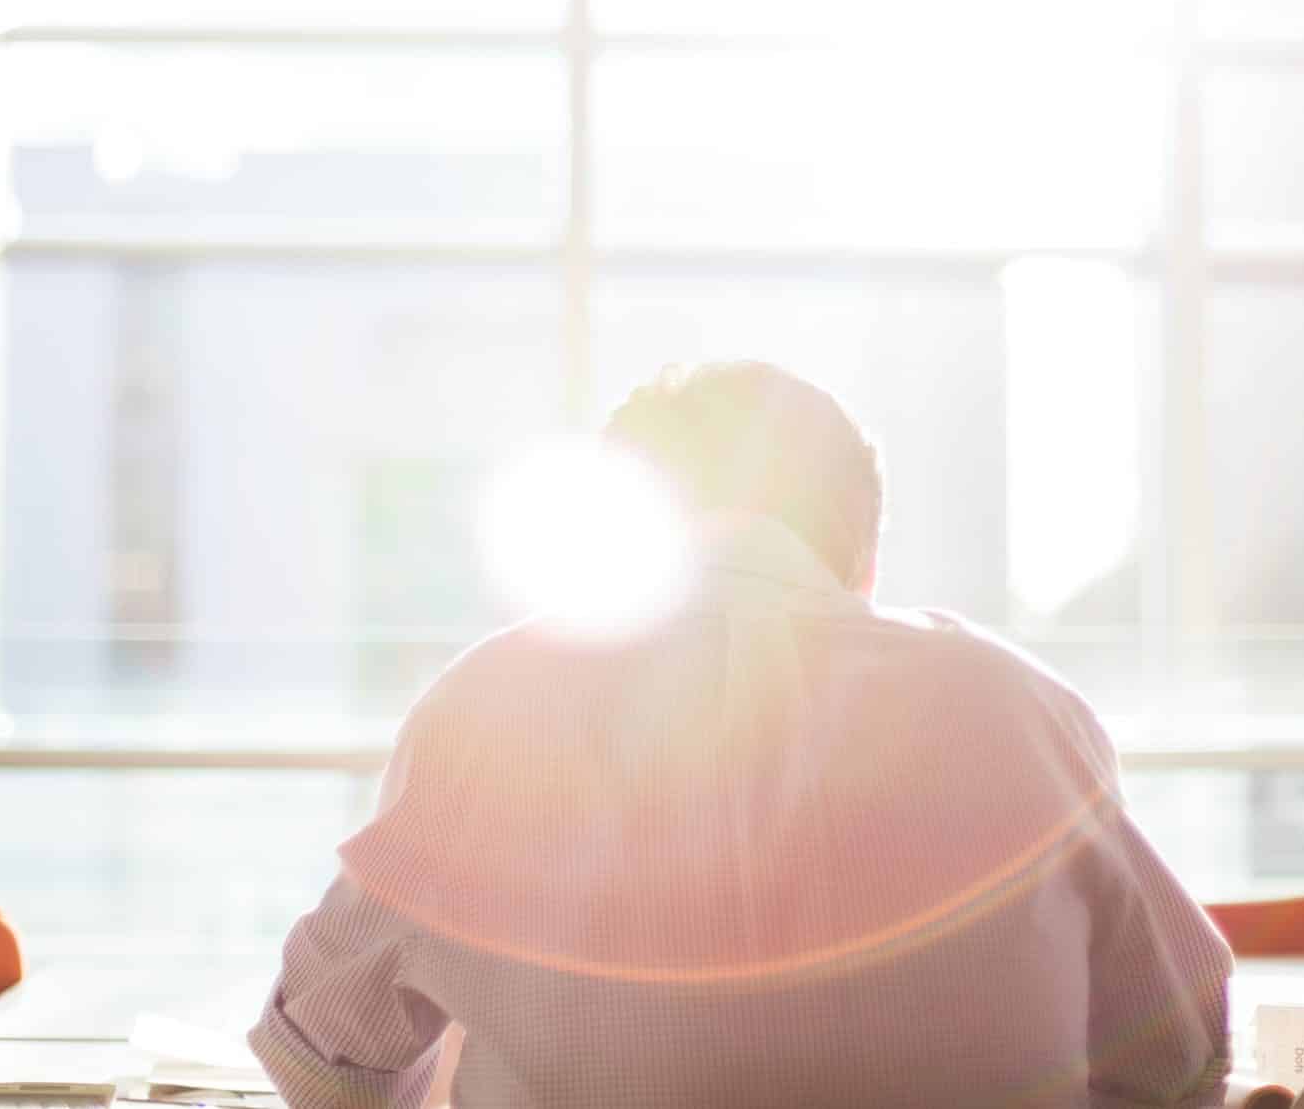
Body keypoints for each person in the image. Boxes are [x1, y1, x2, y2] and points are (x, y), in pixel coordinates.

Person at [250, 360, 1232, 1108]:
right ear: (863, 555)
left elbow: (323, 1055)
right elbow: (1179, 1055)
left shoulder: (492, 707)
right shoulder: (1022, 711)